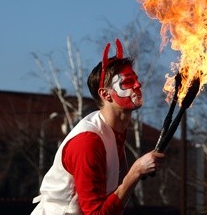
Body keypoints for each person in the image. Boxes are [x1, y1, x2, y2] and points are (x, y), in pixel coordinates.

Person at [31, 39, 165, 215]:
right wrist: (135, 172)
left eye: (136, 80)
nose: (137, 85)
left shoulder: (115, 130)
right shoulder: (88, 142)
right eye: (127, 82)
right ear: (105, 94)